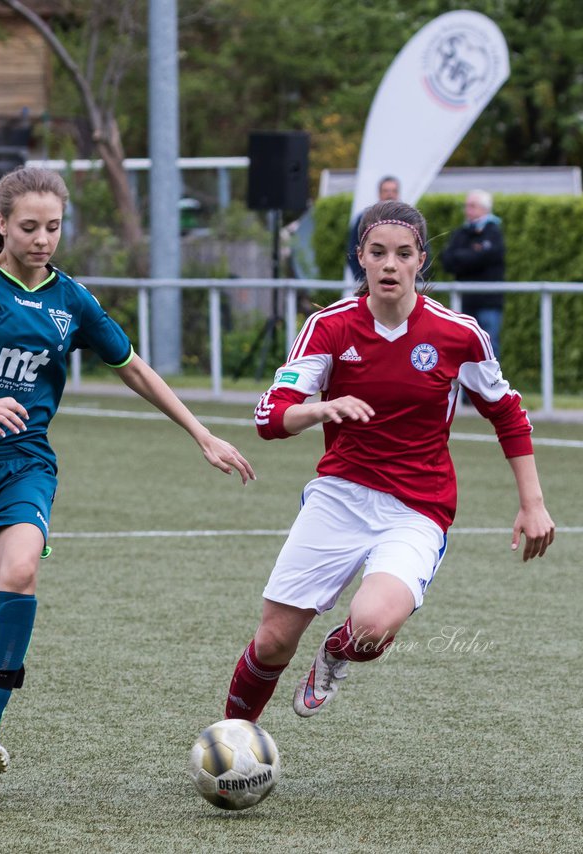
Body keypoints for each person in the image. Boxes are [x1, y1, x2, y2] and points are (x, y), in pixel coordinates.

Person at [0, 166, 256, 778]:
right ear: (1, 224)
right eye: (29, 227)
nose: (43, 238)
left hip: (23, 461)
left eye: (53, 226)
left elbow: (132, 366)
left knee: (19, 571)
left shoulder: (70, 299)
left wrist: (201, 431)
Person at [222, 199, 554, 726]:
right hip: (339, 497)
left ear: (421, 259)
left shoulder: (457, 334)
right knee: (272, 641)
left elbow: (508, 413)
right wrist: (321, 407)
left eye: (403, 253)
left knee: (371, 627)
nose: (390, 264)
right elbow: (269, 417)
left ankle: (335, 652)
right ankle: (234, 741)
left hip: (417, 509)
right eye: (378, 253)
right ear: (362, 259)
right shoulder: (329, 327)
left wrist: (532, 504)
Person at [441, 190, 506, 357]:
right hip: (464, 302)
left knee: (490, 347)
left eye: (472, 206)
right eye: (467, 206)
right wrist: (473, 255)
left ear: (484, 209)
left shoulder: (493, 232)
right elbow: (447, 260)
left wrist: (462, 258)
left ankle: (489, 383)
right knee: (462, 346)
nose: (467, 210)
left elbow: (488, 257)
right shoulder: (461, 233)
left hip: (488, 302)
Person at [345, 175, 401, 281]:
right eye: (386, 191)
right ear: (379, 194)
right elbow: (353, 251)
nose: (390, 194)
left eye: (394, 191)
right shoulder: (365, 218)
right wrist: (363, 280)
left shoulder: (409, 220)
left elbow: (420, 250)